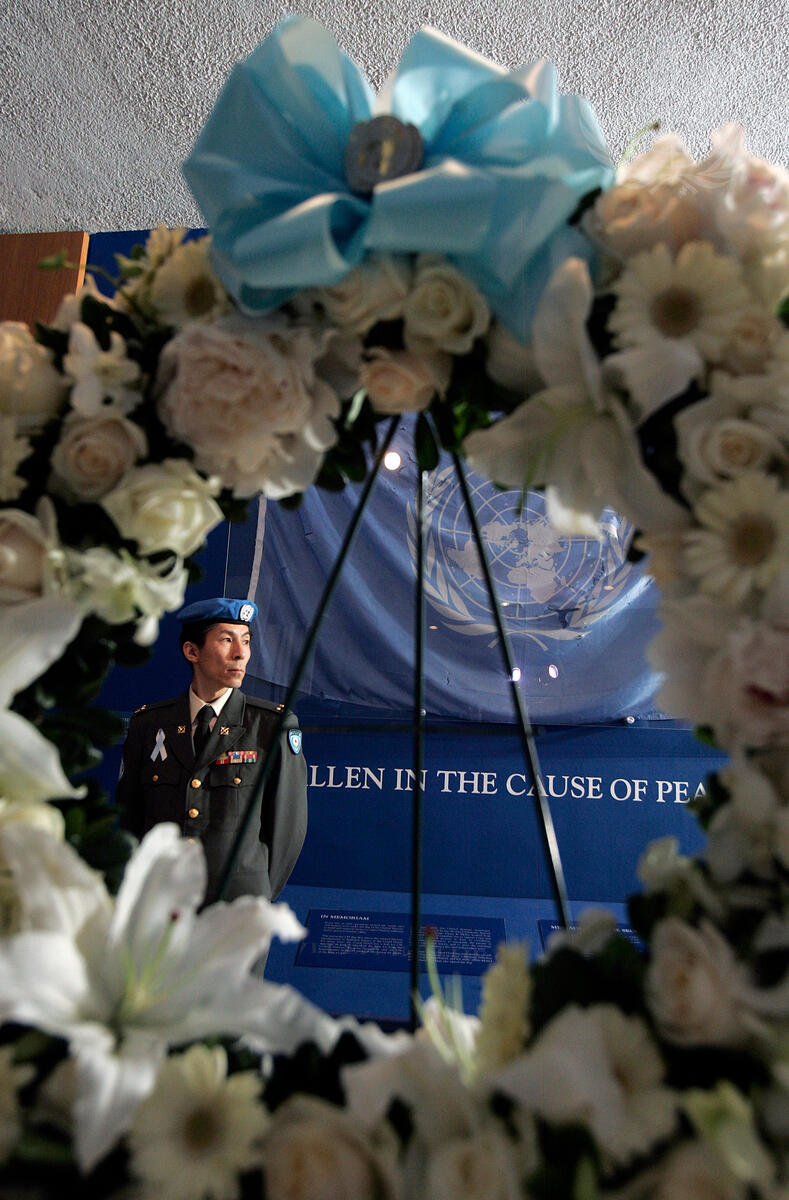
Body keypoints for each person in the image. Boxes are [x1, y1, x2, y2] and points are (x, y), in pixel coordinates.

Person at [116, 597, 307, 905]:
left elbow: (288, 827)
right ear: (192, 652)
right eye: (227, 640)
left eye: (246, 641)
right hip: (163, 901)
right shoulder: (149, 724)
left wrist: (256, 894)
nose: (241, 653)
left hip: (237, 905)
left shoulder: (271, 725)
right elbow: (131, 816)